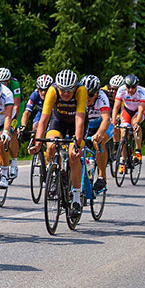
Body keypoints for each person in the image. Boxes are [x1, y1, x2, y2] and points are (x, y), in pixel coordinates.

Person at [31, 69, 88, 219]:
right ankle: (54, 172)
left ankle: (76, 199)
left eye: (69, 90)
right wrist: (37, 143)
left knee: (73, 155)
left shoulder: (81, 91)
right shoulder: (52, 90)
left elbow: (80, 119)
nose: (66, 94)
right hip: (58, 122)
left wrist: (77, 144)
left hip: (76, 123)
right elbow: (44, 119)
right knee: (50, 145)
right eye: (63, 90)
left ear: (75, 87)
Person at [80, 74, 111, 192]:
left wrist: (99, 134)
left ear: (97, 93)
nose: (88, 98)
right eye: (85, 94)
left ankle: (101, 177)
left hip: (101, 124)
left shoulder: (102, 98)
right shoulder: (78, 96)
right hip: (87, 124)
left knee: (100, 141)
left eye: (91, 95)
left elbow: (106, 119)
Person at [0, 67, 17, 188]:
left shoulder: (7, 94)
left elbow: (8, 116)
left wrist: (5, 131)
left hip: (4, 118)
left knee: (2, 141)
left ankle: (4, 174)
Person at [112, 74, 145, 166]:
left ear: (137, 86)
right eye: (128, 87)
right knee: (123, 131)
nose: (130, 90)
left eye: (133, 87)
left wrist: (137, 123)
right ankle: (124, 159)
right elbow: (116, 107)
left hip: (140, 110)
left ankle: (138, 151)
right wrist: (113, 120)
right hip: (128, 110)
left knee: (134, 123)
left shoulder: (142, 91)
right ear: (125, 86)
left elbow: (140, 110)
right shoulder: (121, 90)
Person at [19, 74, 53, 145]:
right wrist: (23, 126)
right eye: (41, 89)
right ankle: (35, 145)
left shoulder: (55, 94)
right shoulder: (35, 95)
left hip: (53, 114)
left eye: (46, 90)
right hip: (41, 113)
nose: (43, 92)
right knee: (35, 126)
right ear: (38, 89)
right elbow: (27, 113)